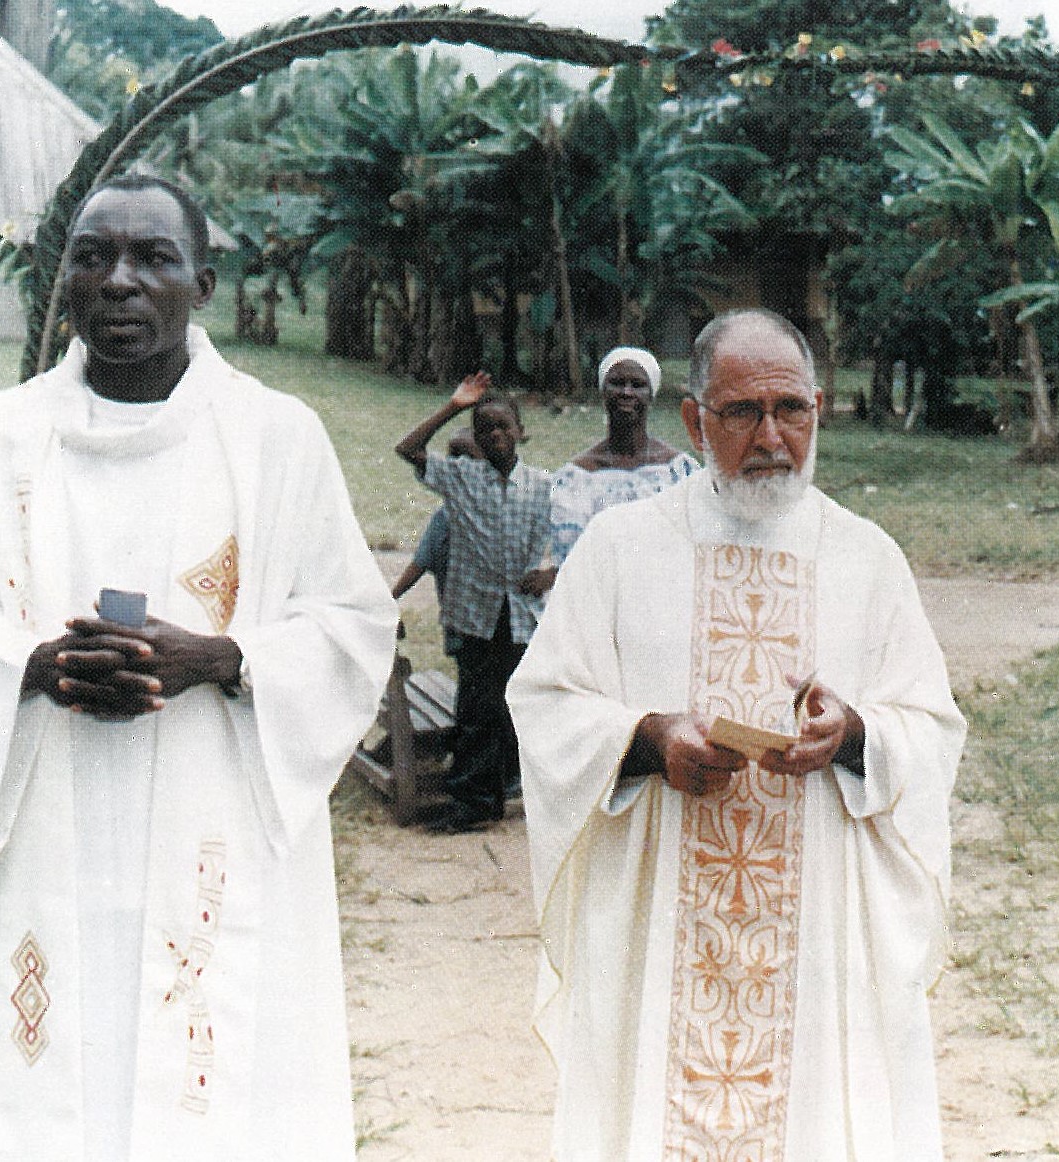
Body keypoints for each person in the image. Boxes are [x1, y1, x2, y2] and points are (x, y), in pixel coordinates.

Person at [0, 175, 395, 1158]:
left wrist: (222, 655)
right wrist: (32, 663)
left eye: (152, 258)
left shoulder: (275, 438)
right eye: (92, 255)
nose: (119, 281)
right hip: (50, 820)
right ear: (63, 278)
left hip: (217, 818)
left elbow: (350, 623)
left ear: (202, 282)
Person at [506, 308, 966, 1159]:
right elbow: (544, 700)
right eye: (741, 413)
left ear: (818, 409)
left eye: (791, 409)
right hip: (660, 903)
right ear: (693, 419)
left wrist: (855, 732)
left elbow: (931, 723)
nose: (771, 437)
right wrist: (647, 738)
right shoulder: (620, 546)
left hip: (818, 917)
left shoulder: (865, 557)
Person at [396, 373, 552, 833]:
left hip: (522, 616)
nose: (495, 435)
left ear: (521, 431)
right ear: (476, 438)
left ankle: (507, 786)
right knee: (475, 710)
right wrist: (454, 406)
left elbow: (578, 539)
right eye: (485, 428)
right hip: (475, 616)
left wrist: (551, 575)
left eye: (504, 426)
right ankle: (472, 803)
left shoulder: (543, 485)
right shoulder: (462, 479)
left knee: (515, 707)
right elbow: (408, 449)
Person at [548, 346, 697, 564]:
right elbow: (569, 556)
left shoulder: (681, 472)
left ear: (651, 394)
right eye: (617, 383)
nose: (626, 392)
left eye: (637, 385)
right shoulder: (575, 479)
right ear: (603, 391)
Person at [391, 427, 479, 659]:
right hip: (465, 627)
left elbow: (419, 564)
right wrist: (389, 600)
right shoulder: (446, 518)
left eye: (468, 458)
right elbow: (420, 563)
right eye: (454, 457)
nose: (458, 467)